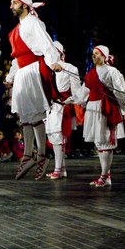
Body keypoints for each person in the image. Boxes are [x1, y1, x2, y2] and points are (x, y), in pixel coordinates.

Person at [4, 0, 63, 180]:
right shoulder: (18, 28)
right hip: (22, 72)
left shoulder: (32, 23)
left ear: (24, 5)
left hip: (32, 71)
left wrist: (53, 60)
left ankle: (42, 155)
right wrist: (10, 76)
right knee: (25, 116)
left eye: (14, 3)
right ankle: (28, 154)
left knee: (35, 114)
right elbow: (17, 57)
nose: (11, 6)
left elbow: (45, 42)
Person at [82, 45, 125, 187]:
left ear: (104, 56)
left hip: (106, 108)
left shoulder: (112, 71)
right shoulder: (90, 73)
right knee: (99, 142)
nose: (94, 56)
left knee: (106, 141)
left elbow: (121, 91)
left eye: (97, 54)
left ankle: (104, 175)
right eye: (93, 54)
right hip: (93, 108)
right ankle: (105, 175)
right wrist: (69, 100)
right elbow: (84, 91)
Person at [45, 40, 84, 180]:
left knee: (59, 138)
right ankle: (61, 168)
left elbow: (76, 91)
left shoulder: (70, 68)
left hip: (62, 107)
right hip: (50, 107)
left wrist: (69, 101)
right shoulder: (44, 68)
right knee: (54, 137)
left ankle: (58, 168)